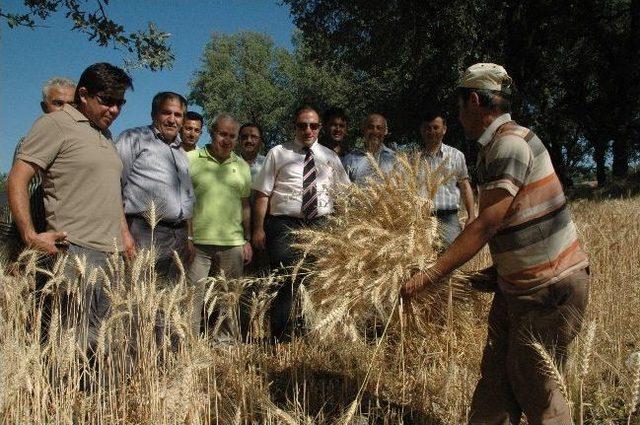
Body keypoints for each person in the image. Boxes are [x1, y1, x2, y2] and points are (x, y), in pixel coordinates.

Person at [402, 63, 590, 424]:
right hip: (517, 287)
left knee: (538, 388)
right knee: (496, 384)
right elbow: (516, 219)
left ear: (474, 100)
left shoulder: (509, 145)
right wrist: (495, 272)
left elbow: (486, 223)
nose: (458, 117)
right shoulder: (502, 145)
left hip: (546, 288)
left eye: (459, 107)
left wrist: (430, 275)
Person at [7, 62, 135, 352]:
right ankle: (61, 395)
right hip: (75, 250)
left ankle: (93, 397)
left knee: (104, 339)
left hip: (111, 251)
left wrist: (124, 234)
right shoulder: (54, 124)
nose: (114, 110)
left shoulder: (104, 133)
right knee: (69, 340)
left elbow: (111, 188)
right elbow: (17, 178)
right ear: (84, 94)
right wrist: (29, 235)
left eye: (120, 103)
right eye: (107, 101)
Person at [252, 106, 350, 341]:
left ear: (319, 128)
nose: (308, 130)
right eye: (302, 125)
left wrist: (342, 228)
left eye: (313, 125)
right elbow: (262, 193)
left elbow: (344, 194)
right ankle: (281, 337)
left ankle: (309, 334)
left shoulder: (329, 156)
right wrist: (257, 229)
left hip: (320, 225)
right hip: (284, 225)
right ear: (294, 126)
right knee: (287, 279)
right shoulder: (278, 153)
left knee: (315, 280)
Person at [115, 92, 194, 281]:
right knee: (139, 295)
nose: (172, 120)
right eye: (166, 113)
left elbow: (186, 199)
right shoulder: (134, 138)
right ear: (154, 114)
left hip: (179, 235)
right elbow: (114, 186)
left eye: (178, 115)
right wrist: (124, 233)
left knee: (170, 298)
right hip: (144, 232)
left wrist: (189, 238)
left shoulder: (180, 152)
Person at [187, 114, 252, 339]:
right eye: (222, 134)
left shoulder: (242, 166)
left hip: (232, 244)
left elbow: (245, 205)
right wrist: (187, 238)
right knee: (192, 298)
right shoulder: (190, 159)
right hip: (198, 244)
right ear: (212, 133)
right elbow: (183, 200)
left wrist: (247, 239)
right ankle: (189, 344)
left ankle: (224, 345)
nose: (227, 140)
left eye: (232, 136)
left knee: (227, 300)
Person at [1, 77, 77, 263]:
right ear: (44, 107)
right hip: (25, 234)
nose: (65, 110)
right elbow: (20, 184)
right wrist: (29, 236)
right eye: (58, 103)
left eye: (72, 104)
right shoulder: (32, 142)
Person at [419, 112, 476, 246]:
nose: (431, 131)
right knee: (421, 261)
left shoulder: (456, 156)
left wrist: (471, 215)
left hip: (448, 218)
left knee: (451, 259)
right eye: (427, 128)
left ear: (444, 129)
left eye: (435, 127)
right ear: (422, 130)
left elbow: (464, 185)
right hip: (421, 218)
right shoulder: (412, 159)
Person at [342, 113, 396, 185]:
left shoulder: (395, 159)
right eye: (370, 127)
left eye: (379, 128)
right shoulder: (349, 160)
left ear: (386, 131)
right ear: (363, 130)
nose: (375, 131)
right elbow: (342, 189)